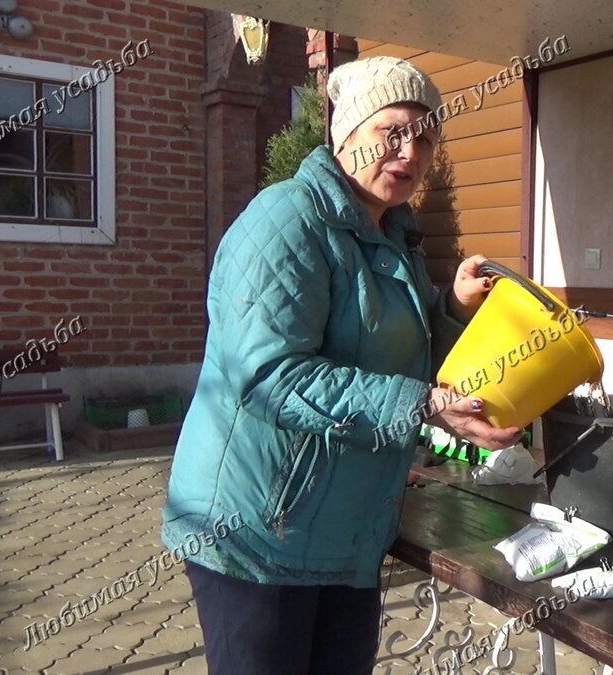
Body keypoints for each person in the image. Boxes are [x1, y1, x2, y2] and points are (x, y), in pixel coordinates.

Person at [161, 56, 521, 675]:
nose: (411, 151)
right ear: (345, 133)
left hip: (346, 529)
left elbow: (387, 347)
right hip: (258, 530)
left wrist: (452, 307)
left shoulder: (390, 233)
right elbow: (269, 377)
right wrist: (425, 406)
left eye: (427, 135)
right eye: (394, 131)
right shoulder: (287, 220)